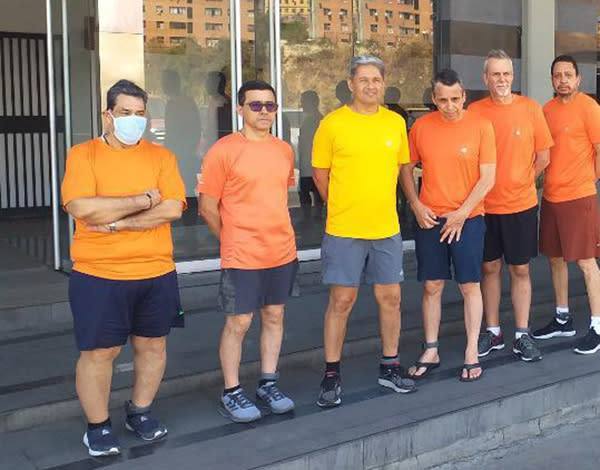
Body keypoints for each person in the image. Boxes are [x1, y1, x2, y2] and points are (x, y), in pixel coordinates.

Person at [61, 79, 186, 456]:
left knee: (153, 346)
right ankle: (97, 427)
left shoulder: (161, 158)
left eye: (140, 113)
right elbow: (82, 208)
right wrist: (142, 199)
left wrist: (118, 221)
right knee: (100, 353)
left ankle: (140, 411)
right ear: (108, 115)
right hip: (100, 275)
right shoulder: (83, 155)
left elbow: (174, 208)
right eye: (125, 113)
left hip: (157, 271)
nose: (134, 120)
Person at [312, 56, 416, 408]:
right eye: (364, 79)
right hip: (344, 229)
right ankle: (331, 374)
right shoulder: (332, 124)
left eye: (376, 79)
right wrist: (341, 206)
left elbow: (403, 168)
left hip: (386, 227)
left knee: (391, 299)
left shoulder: (395, 123)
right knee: (341, 302)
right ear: (351, 84)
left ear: (383, 83)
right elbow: (320, 175)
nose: (371, 85)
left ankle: (390, 366)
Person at [197, 80, 298, 422]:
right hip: (242, 253)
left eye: (270, 105)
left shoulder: (284, 149)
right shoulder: (223, 151)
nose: (264, 112)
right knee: (239, 322)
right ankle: (232, 390)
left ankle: (268, 382)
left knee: (274, 316)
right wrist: (230, 239)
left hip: (281, 250)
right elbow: (207, 206)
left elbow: (280, 195)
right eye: (256, 105)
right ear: (240, 108)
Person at [400, 69, 496, 382]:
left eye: (455, 99)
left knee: (470, 285)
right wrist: (415, 204)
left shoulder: (481, 125)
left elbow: (488, 177)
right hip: (430, 218)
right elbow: (406, 168)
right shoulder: (422, 127)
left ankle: (471, 349)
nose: (450, 105)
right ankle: (431, 348)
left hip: (468, 219)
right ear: (433, 99)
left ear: (464, 96)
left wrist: (461, 213)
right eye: (443, 100)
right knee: (432, 285)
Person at [469, 50, 553, 362]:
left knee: (520, 268)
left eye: (506, 74)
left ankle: (521, 333)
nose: (501, 79)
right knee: (488, 268)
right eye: (495, 74)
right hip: (484, 207)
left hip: (521, 205)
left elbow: (543, 157)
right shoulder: (475, 112)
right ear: (485, 78)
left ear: (512, 76)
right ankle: (493, 332)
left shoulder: (530, 109)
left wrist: (522, 181)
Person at [532, 55, 600, 355]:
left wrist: (587, 182)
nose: (563, 80)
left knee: (586, 263)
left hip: (580, 196)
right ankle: (563, 318)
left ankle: (597, 326)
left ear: (578, 78)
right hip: (551, 197)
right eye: (557, 75)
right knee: (555, 259)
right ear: (552, 79)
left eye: (568, 75)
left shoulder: (589, 108)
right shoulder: (546, 111)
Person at [298, 90, 324, 221]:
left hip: (314, 164)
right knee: (306, 191)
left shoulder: (319, 121)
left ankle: (313, 217)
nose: (301, 105)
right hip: (307, 163)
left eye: (304, 101)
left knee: (312, 192)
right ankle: (309, 217)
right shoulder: (310, 120)